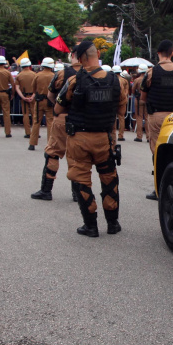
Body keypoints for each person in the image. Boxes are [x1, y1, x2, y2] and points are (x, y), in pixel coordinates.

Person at [54, 41, 126, 236]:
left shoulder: (74, 81)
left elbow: (57, 108)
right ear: (97, 54)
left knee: (82, 180)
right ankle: (113, 224)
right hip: (105, 138)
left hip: (79, 138)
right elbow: (121, 110)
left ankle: (91, 226)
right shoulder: (116, 81)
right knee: (109, 179)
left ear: (80, 58)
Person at [30, 51, 82, 202]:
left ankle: (46, 190)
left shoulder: (62, 73)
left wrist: (61, 107)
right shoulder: (93, 75)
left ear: (73, 56)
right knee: (76, 156)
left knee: (53, 153)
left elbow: (51, 95)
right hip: (83, 121)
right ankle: (77, 193)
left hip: (63, 118)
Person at [141, 40, 173, 199]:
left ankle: (159, 188)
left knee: (157, 153)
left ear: (158, 53)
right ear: (172, 53)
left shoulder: (152, 72)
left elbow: (143, 97)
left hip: (157, 116)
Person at [15, 57, 38, 147]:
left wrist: (23, 97)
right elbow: (37, 87)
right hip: (33, 96)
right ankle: (35, 133)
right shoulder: (34, 74)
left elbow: (17, 87)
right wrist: (33, 96)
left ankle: (28, 132)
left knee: (25, 114)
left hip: (24, 96)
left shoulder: (19, 75)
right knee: (34, 115)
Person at [33, 57, 56, 144]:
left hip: (39, 101)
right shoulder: (53, 76)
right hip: (49, 101)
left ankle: (32, 143)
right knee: (50, 122)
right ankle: (50, 143)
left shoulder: (38, 75)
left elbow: (33, 88)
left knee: (36, 122)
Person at [111, 65, 128, 141]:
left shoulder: (111, 80)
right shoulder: (124, 80)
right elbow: (127, 91)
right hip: (123, 101)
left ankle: (113, 134)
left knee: (113, 118)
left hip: (113, 101)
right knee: (121, 117)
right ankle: (121, 135)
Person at [132, 64, 148, 142]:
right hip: (147, 99)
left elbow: (133, 90)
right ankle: (148, 137)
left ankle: (139, 136)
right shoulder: (149, 79)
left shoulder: (137, 80)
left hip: (138, 99)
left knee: (139, 117)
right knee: (147, 118)